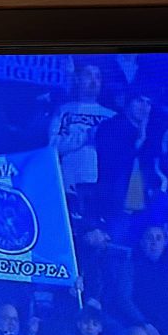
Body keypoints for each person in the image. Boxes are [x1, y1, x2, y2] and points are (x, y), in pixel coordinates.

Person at [95, 86, 165, 243]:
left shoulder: (151, 135)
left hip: (142, 207)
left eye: (148, 103)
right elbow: (111, 164)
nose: (144, 107)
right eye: (139, 101)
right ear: (128, 102)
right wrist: (138, 143)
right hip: (114, 204)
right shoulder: (110, 127)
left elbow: (155, 168)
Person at [49, 61, 114, 223]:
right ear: (78, 79)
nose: (93, 81)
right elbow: (52, 146)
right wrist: (86, 136)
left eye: (98, 77)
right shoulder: (63, 110)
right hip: (69, 184)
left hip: (101, 187)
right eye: (88, 75)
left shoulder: (112, 116)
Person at [118, 222, 168, 335]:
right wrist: (145, 324)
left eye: (158, 238)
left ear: (165, 242)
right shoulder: (130, 267)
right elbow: (124, 299)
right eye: (149, 238)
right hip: (139, 326)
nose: (154, 243)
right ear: (142, 242)